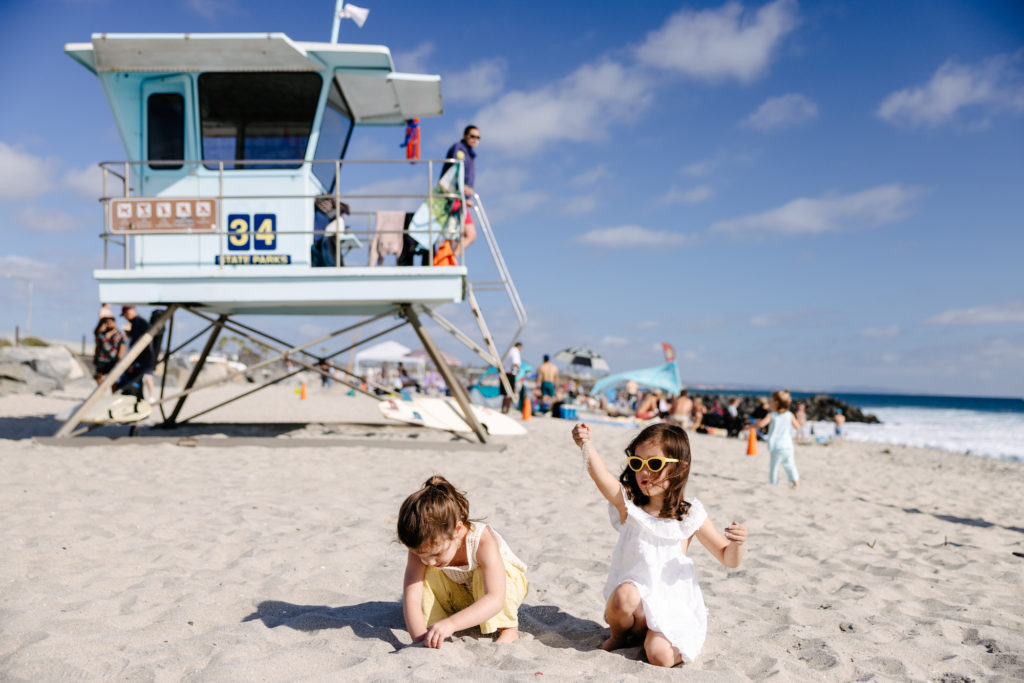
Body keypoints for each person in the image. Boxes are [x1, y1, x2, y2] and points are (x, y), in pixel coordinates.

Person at [570, 422, 747, 667]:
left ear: (680, 469)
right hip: (635, 606)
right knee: (623, 596)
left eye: (654, 464)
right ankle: (619, 637)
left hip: (671, 607)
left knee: (659, 657)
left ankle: (656, 640)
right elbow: (602, 477)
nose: (644, 471)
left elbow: (729, 559)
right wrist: (586, 444)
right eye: (637, 463)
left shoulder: (689, 514)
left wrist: (737, 543)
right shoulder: (630, 506)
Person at [397, 475, 528, 648]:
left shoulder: (481, 541)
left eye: (437, 554)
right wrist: (419, 639)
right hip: (461, 596)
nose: (429, 560)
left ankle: (509, 629)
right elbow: (412, 598)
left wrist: (452, 624)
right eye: (422, 555)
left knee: (490, 572)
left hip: (497, 590)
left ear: (458, 529)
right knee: (424, 577)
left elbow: (495, 598)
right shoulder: (424, 545)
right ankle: (436, 625)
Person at [441, 125, 480, 258]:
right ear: (465, 136)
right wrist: (461, 188)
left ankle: (450, 259)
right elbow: (453, 171)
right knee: (456, 236)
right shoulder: (459, 149)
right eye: (473, 136)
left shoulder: (470, 154)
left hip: (460, 199)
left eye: (478, 137)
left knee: (461, 235)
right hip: (453, 199)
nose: (475, 140)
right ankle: (447, 261)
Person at [757, 390, 801, 487]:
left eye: (771, 401)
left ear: (776, 403)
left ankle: (773, 483)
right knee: (790, 464)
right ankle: (795, 482)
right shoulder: (790, 415)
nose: (769, 403)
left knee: (774, 466)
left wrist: (750, 426)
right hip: (788, 445)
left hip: (776, 446)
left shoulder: (772, 415)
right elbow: (798, 426)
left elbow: (761, 424)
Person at [119, 306, 156, 400]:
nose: (125, 317)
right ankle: (146, 396)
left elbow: (136, 343)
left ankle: (149, 397)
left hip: (143, 358)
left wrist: (133, 362)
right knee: (144, 378)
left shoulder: (137, 322)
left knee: (145, 377)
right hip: (144, 357)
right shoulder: (139, 322)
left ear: (131, 312)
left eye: (126, 314)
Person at [92, 311, 126, 386]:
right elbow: (98, 346)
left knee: (113, 379)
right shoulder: (102, 334)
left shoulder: (120, 335)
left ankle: (112, 394)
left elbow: (122, 347)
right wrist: (95, 357)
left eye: (110, 322)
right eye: (107, 323)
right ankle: (99, 393)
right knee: (99, 376)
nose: (108, 324)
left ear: (114, 322)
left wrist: (119, 359)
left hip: (113, 360)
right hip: (102, 359)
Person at [500, 341, 522, 414]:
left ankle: (503, 409)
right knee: (509, 394)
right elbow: (515, 363)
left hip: (504, 373)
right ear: (519, 347)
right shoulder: (515, 351)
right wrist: (518, 370)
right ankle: (506, 410)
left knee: (505, 394)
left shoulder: (509, 350)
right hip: (510, 375)